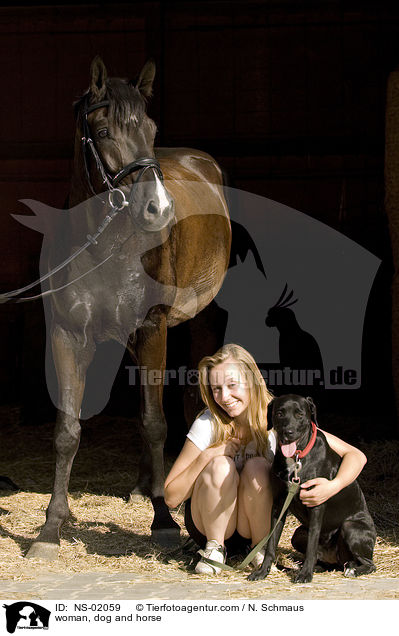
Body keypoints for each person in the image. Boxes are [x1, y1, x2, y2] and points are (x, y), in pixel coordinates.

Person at [164, 343, 367, 575]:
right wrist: (208, 455)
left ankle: (260, 552)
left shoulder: (279, 418)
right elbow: (171, 497)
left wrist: (334, 486)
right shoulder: (208, 423)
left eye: (232, 385)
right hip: (210, 527)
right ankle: (214, 550)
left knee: (258, 466)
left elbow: (356, 456)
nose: (224, 397)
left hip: (254, 528)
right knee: (220, 465)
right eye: (216, 389)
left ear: (252, 381)